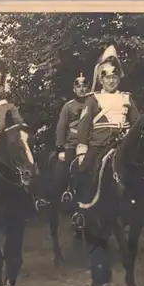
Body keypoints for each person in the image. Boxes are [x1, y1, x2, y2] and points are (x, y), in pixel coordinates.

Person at [71, 45, 144, 230]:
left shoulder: (126, 98)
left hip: (123, 145)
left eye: (114, 77)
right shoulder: (93, 99)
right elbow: (84, 126)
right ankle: (81, 211)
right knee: (84, 169)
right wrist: (81, 149)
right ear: (101, 79)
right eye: (107, 78)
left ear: (118, 79)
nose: (111, 81)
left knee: (141, 172)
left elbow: (137, 123)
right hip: (99, 145)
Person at [55, 72, 91, 200]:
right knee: (67, 166)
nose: (81, 89)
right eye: (78, 87)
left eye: (84, 87)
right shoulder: (68, 106)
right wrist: (60, 147)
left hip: (90, 142)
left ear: (88, 88)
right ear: (74, 90)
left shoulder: (93, 104)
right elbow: (61, 127)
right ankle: (67, 190)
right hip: (73, 143)